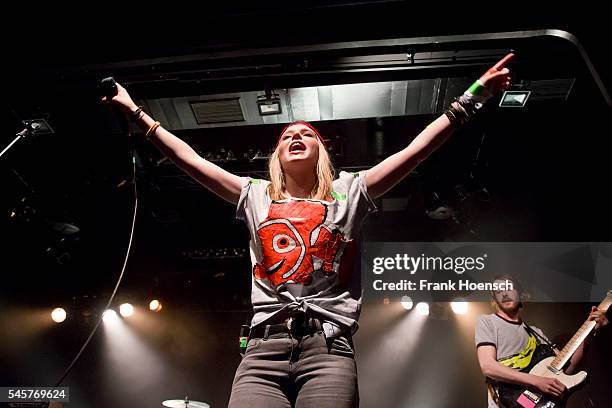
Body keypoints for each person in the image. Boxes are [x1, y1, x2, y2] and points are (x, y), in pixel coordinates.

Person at [105, 53, 514, 407]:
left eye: (307, 135)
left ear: (320, 151)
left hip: (328, 348)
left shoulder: (351, 190)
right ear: (277, 156)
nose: (297, 137)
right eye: (287, 136)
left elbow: (415, 151)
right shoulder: (254, 194)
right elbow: (188, 159)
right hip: (263, 348)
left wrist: (473, 96)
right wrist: (134, 112)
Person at [475, 274, 609, 407]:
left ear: (520, 293)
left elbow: (568, 367)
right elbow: (488, 366)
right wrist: (537, 381)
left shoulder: (536, 332)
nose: (504, 293)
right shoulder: (487, 321)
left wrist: (591, 329)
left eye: (509, 287)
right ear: (494, 298)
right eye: (498, 290)